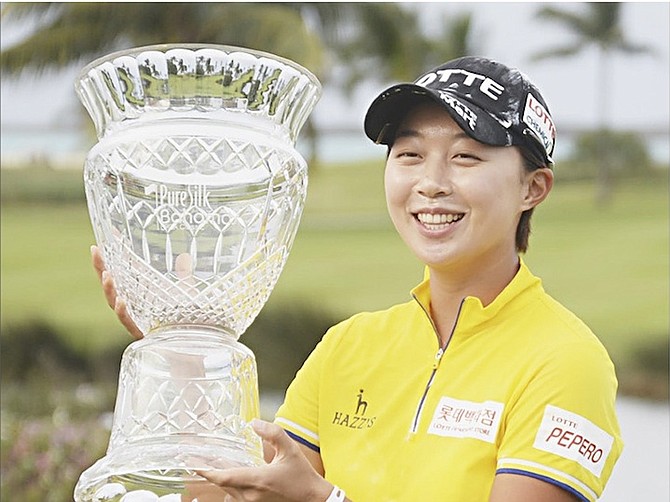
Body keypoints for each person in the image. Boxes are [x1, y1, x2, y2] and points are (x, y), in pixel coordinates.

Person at [93, 56, 623, 501]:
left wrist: (326, 500)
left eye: (464, 157)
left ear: (534, 187)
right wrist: (186, 349)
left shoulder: (566, 360)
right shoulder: (348, 346)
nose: (431, 183)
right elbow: (231, 495)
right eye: (410, 155)